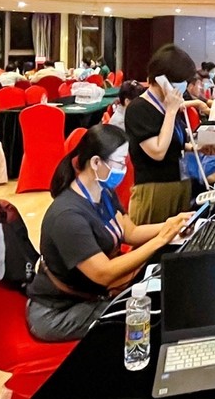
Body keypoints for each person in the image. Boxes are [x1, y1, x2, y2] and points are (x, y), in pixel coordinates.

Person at [25, 124, 191, 342]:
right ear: (96, 162)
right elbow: (104, 273)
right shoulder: (68, 216)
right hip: (58, 312)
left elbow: (130, 232)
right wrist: (161, 239)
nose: (124, 168)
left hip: (90, 296)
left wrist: (172, 225)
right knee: (150, 316)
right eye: (120, 162)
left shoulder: (103, 193)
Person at [123, 43, 196, 225]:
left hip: (180, 183)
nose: (184, 86)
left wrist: (196, 147)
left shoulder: (168, 104)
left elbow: (173, 141)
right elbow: (158, 151)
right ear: (162, 79)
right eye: (180, 80)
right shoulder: (139, 109)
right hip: (154, 190)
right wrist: (171, 111)